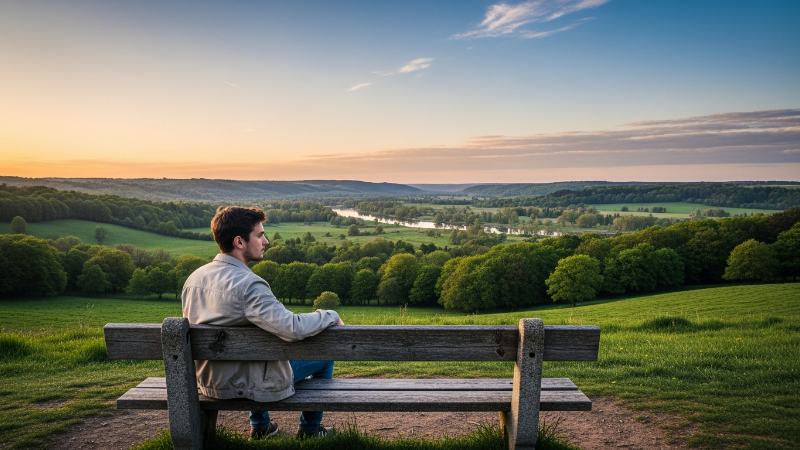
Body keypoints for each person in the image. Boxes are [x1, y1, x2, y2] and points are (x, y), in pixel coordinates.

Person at [182, 206, 343, 440]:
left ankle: (261, 427)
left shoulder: (194, 279)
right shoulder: (249, 285)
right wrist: (329, 315)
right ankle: (309, 430)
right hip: (247, 384)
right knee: (325, 357)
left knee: (254, 351)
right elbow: (292, 328)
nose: (266, 241)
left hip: (209, 381)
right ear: (239, 241)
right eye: (259, 235)